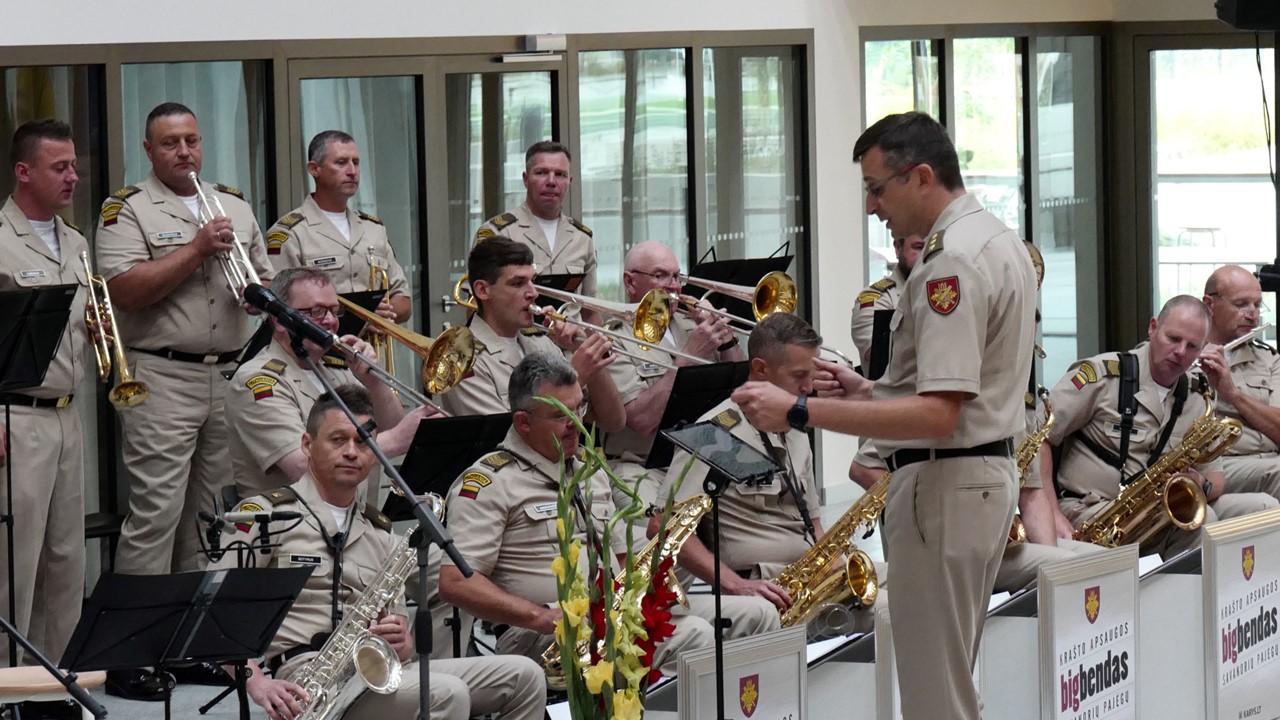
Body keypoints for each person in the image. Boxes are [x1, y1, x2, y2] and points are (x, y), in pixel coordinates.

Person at [731, 111, 1037, 720]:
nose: (872, 207)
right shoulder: (996, 238)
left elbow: (939, 415)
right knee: (951, 681)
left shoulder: (950, 261)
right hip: (977, 476)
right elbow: (954, 392)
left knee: (934, 696)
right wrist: (869, 392)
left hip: (946, 481)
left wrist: (799, 410)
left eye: (877, 188)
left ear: (920, 176)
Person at [210, 386, 546, 720]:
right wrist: (257, 683)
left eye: (363, 442)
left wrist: (402, 641)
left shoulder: (381, 533)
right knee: (446, 694)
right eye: (338, 440)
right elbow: (212, 615)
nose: (352, 452)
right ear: (307, 445)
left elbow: (404, 645)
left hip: (377, 674)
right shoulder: (266, 516)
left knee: (525, 676)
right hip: (309, 683)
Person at [439, 353, 778, 674]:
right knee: (692, 636)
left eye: (580, 407)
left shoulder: (589, 470)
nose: (576, 423)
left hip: (613, 611)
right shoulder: (489, 482)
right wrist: (538, 616)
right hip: (539, 632)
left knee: (758, 613)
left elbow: (620, 556)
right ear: (523, 422)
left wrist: (651, 579)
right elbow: (454, 583)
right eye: (560, 415)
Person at [94, 102, 274, 698]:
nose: (184, 152)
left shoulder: (233, 204)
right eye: (170, 143)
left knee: (208, 520)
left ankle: (189, 645)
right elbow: (124, 290)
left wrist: (258, 294)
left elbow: (263, 279)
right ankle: (128, 654)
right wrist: (196, 249)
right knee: (155, 516)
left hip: (228, 374)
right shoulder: (127, 210)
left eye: (192, 140)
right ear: (149, 150)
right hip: (161, 375)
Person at [658, 314, 884, 634]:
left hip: (807, 576)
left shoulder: (795, 429)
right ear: (760, 368)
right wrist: (734, 584)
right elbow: (665, 526)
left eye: (812, 375)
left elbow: (814, 523)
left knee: (903, 580)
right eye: (799, 376)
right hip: (767, 585)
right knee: (890, 608)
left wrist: (835, 564)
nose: (809, 387)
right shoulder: (714, 434)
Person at [1042, 295, 1278, 557]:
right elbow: (1039, 438)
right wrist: (1051, 514)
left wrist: (1199, 483)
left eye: (1192, 346)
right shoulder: (1101, 375)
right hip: (1090, 512)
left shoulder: (1198, 395)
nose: (1180, 352)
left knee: (1258, 509)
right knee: (1202, 523)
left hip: (1154, 512)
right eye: (1173, 339)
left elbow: (1216, 479)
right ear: (1153, 327)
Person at [0, 120, 91, 720]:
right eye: (59, 167)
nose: (73, 176)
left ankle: (54, 690)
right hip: (14, 416)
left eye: (73, 165)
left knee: (65, 562)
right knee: (13, 565)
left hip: (66, 415)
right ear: (23, 171)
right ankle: (5, 691)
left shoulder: (76, 242)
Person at [225, 267, 436, 497]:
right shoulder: (257, 380)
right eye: (316, 311)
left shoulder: (337, 371)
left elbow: (392, 428)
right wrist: (394, 440)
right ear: (280, 321)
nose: (330, 321)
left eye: (334, 311)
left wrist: (375, 383)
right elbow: (301, 465)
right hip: (292, 517)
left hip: (355, 515)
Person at [602, 240, 742, 510]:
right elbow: (641, 421)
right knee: (652, 528)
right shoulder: (614, 339)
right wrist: (688, 357)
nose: (674, 286)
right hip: (642, 467)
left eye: (677, 276)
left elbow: (745, 394)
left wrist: (726, 340)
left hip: (703, 459)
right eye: (660, 276)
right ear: (630, 282)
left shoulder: (694, 326)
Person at [440, 237, 624, 431]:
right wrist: (577, 377)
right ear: (483, 290)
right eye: (518, 283)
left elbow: (613, 422)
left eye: (532, 281)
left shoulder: (541, 343)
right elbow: (503, 436)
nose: (533, 293)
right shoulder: (461, 358)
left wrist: (584, 350)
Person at [264, 130, 411, 326]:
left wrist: (384, 314)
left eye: (356, 162)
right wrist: (359, 316)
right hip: (319, 345)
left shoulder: (374, 229)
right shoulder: (290, 233)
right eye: (341, 163)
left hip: (370, 346)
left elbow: (404, 299)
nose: (352, 171)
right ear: (314, 169)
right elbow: (278, 307)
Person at [1196, 265, 1280, 501]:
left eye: (1257, 305)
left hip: (1270, 458)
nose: (1252, 315)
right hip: (1221, 466)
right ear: (1210, 304)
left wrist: (1232, 394)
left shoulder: (1269, 359)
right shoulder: (1184, 354)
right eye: (1241, 304)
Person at [474, 140, 598, 298]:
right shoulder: (497, 233)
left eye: (560, 174)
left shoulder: (582, 239)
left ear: (569, 182)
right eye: (541, 173)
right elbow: (476, 303)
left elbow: (590, 307)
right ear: (526, 179)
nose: (551, 182)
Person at [849, 234, 924, 375]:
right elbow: (880, 355)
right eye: (919, 247)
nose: (926, 255)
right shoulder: (876, 297)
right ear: (898, 248)